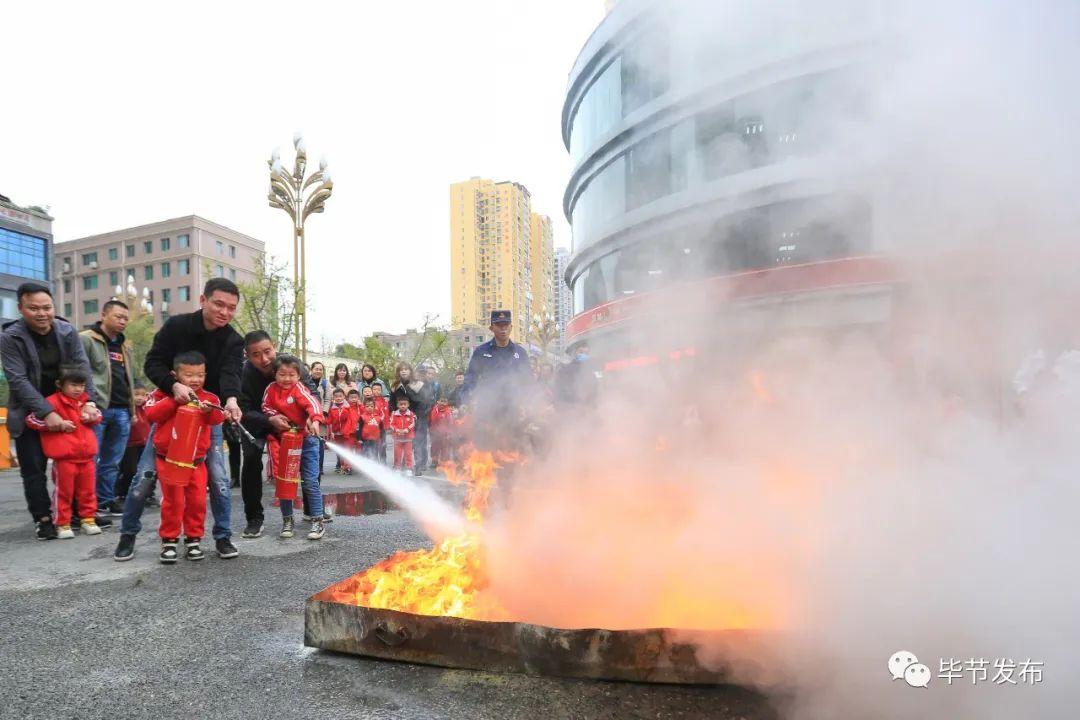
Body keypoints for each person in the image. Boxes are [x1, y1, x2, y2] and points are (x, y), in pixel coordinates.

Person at [113, 278, 244, 562]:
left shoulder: (234, 340)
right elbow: (153, 363)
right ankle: (128, 535)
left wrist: (231, 400)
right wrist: (173, 387)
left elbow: (231, 373)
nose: (225, 312)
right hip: (170, 415)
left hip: (206, 418)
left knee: (219, 480)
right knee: (144, 477)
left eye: (231, 307)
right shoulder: (177, 326)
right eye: (219, 304)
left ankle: (222, 537)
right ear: (203, 300)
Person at [1, 282, 100, 540]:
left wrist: (89, 402)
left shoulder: (67, 331)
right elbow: (17, 380)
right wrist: (46, 411)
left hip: (69, 409)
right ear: (21, 308)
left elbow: (83, 367)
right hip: (29, 411)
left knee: (75, 465)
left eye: (47, 307)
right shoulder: (10, 337)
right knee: (34, 468)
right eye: (34, 308)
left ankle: (78, 514)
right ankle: (43, 518)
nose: (42, 313)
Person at [236, 330, 327, 538]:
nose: (264, 359)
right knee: (253, 460)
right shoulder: (243, 374)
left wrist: (312, 418)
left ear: (274, 346)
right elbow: (244, 409)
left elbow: (311, 395)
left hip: (298, 430)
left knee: (310, 471)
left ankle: (313, 513)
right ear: (247, 355)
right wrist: (270, 419)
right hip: (258, 422)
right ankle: (255, 519)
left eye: (267, 351)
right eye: (256, 355)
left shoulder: (291, 364)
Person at [144, 352, 225, 563]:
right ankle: (169, 540)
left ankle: (193, 539)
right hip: (168, 460)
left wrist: (208, 412)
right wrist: (174, 399)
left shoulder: (209, 398)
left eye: (200, 375)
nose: (195, 380)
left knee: (197, 501)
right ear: (175, 375)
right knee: (173, 501)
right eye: (189, 375)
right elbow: (150, 415)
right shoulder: (162, 394)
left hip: (196, 462)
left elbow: (218, 418)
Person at [25, 367, 103, 538]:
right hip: (64, 458)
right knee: (64, 492)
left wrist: (91, 417)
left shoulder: (86, 402)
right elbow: (31, 420)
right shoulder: (51, 402)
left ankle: (88, 519)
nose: (78, 389)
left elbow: (98, 416)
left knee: (88, 491)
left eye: (82, 385)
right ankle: (62, 523)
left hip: (87, 456)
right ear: (60, 384)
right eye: (73, 385)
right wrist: (56, 424)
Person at [80, 299, 136, 516]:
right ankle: (86, 505)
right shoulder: (86, 339)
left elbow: (129, 378)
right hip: (97, 408)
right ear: (103, 315)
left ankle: (105, 500)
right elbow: (78, 373)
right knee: (89, 459)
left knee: (113, 461)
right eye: (118, 316)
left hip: (122, 410)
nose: (123, 322)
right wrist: (86, 402)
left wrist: (132, 409)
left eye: (126, 319)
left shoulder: (124, 345)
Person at [262, 354, 326, 541]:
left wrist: (315, 420)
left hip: (307, 441)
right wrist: (275, 416)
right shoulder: (271, 389)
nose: (287, 379)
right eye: (282, 374)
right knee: (285, 481)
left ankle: (317, 520)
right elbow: (265, 407)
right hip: (285, 441)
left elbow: (312, 403)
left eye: (292, 375)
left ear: (299, 376)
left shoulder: (299, 389)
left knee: (310, 481)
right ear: (275, 374)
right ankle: (287, 520)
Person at [462, 310, 535, 450]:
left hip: (513, 409)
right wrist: (466, 400)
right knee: (487, 449)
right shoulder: (481, 352)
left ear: (511, 327)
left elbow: (528, 381)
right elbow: (471, 378)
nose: (503, 329)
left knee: (512, 449)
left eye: (506, 325)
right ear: (491, 328)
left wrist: (530, 403)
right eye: (499, 325)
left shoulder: (520, 353)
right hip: (487, 409)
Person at [115, 381, 151, 505]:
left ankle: (145, 494)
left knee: (146, 471)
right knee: (130, 470)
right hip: (130, 445)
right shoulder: (127, 411)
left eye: (143, 395)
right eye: (136, 394)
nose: (140, 398)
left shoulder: (146, 408)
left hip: (144, 444)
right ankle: (123, 493)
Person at [388, 397, 416, 472]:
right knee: (397, 454)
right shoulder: (394, 414)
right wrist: (397, 430)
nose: (403, 406)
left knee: (408, 454)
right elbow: (391, 424)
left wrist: (407, 429)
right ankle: (397, 468)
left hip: (408, 439)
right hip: (398, 439)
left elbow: (413, 423)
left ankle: (409, 468)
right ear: (397, 405)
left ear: (408, 405)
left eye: (405, 404)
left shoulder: (411, 414)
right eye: (401, 404)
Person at [428, 395, 455, 466]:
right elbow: (431, 420)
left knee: (444, 447)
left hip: (444, 434)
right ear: (437, 401)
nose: (443, 403)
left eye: (445, 402)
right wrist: (431, 430)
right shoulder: (434, 410)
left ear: (447, 403)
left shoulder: (448, 412)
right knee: (434, 447)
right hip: (435, 433)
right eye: (441, 401)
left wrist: (448, 433)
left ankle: (444, 462)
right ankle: (434, 461)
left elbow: (450, 423)